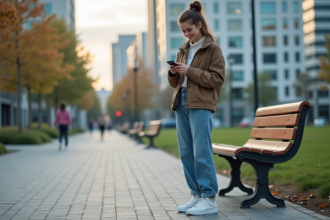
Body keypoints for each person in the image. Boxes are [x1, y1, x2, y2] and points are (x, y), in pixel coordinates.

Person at [167, 1, 225, 216]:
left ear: (199, 25)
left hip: (201, 104)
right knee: (186, 153)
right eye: (183, 31)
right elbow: (175, 83)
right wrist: (174, 73)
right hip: (181, 101)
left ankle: (209, 198)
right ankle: (197, 195)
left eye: (189, 30)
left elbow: (217, 79)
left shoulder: (213, 49)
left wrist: (190, 70)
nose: (186, 35)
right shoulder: (183, 49)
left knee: (202, 151)